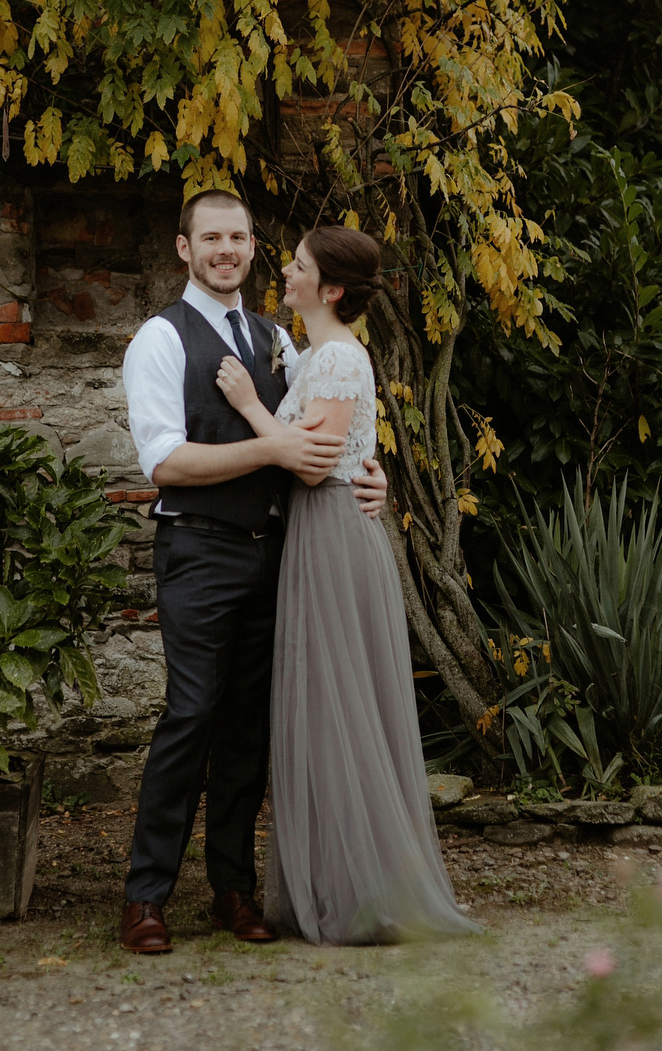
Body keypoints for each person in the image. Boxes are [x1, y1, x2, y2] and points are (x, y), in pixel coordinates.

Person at [119, 191, 388, 954]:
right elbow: (166, 462)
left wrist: (373, 477)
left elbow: (329, 431)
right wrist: (271, 451)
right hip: (199, 551)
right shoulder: (160, 340)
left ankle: (234, 889)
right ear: (185, 249)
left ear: (250, 247)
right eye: (212, 238)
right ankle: (146, 895)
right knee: (191, 715)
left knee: (247, 727)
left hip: (278, 554)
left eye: (238, 236)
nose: (227, 249)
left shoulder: (278, 340)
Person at [216, 225, 478, 945]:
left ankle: (361, 891)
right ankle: (336, 881)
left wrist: (247, 405)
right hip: (324, 529)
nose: (286, 271)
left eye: (298, 265)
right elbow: (342, 449)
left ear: (330, 287)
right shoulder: (314, 354)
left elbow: (308, 462)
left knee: (338, 706)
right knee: (322, 708)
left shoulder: (336, 359)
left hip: (331, 533)